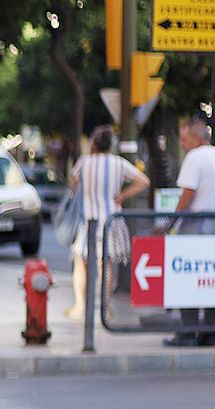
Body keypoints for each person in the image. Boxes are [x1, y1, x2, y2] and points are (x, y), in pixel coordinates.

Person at [165, 114, 215, 347]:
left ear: (196, 137)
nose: (181, 143)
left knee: (189, 280)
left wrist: (171, 222)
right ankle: (211, 332)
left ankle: (187, 332)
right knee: (213, 281)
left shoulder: (194, 158)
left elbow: (188, 193)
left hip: (194, 230)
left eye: (184, 138)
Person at [64, 125, 149, 321]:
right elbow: (144, 181)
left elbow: (74, 183)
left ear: (93, 143)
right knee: (106, 265)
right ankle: (105, 307)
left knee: (80, 261)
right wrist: (123, 195)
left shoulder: (84, 163)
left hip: (87, 220)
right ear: (111, 144)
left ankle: (80, 306)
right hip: (111, 220)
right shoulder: (118, 163)